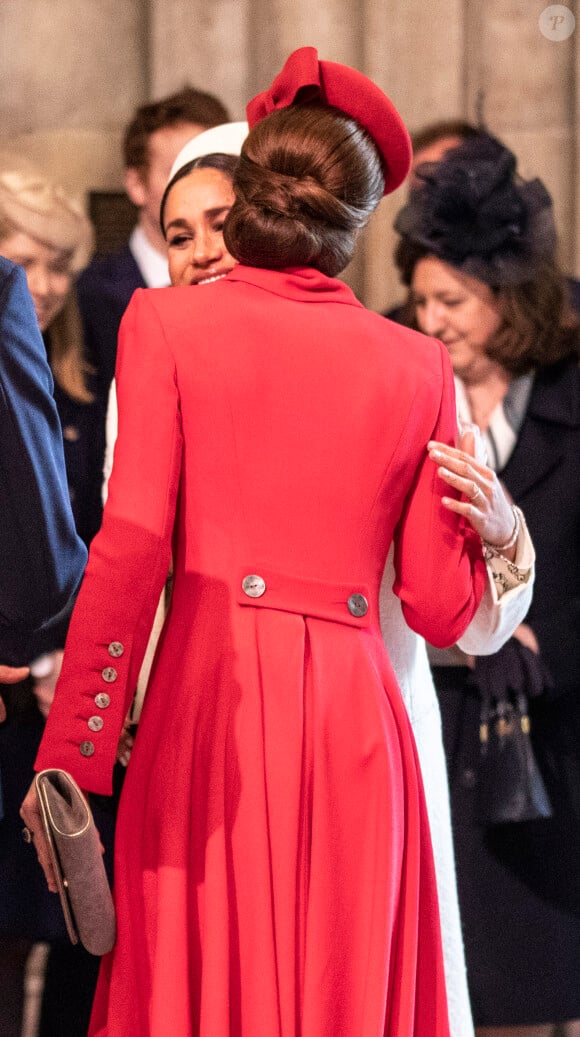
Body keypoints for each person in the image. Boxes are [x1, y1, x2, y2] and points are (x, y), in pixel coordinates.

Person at [23, 48, 525, 1036]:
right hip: (357, 729)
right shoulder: (418, 363)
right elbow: (436, 604)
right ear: (357, 216)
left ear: (249, 192)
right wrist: (501, 537)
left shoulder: (162, 324)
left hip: (209, 701)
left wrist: (76, 749)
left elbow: (128, 549)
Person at [155, 121, 536, 1037]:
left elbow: (454, 611)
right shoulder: (161, 344)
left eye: (222, 220)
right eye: (179, 233)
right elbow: (129, 562)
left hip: (355, 719)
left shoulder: (398, 369)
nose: (206, 249)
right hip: (191, 727)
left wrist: (505, 541)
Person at [393, 130, 580, 1037]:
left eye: (452, 300)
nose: (431, 322)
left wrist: (546, 640)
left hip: (561, 728)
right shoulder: (406, 381)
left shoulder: (570, 388)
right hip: (446, 714)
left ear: (508, 295)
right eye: (421, 299)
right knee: (464, 972)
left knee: (548, 968)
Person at [0, 159, 109, 1037]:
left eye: (59, 263)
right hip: (13, 677)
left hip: (61, 692)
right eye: (21, 258)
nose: (41, 285)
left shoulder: (86, 376)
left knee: (65, 927)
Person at [76, 85, 231, 413]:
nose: (197, 186)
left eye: (211, 168)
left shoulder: (255, 283)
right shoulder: (87, 297)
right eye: (179, 171)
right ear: (136, 185)